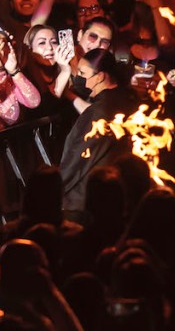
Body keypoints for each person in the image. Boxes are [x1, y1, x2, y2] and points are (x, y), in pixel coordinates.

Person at [59, 49, 138, 214]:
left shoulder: (99, 112)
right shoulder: (129, 100)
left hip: (85, 201)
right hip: (121, 195)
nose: (78, 78)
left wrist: (56, 191)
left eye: (82, 73)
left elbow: (77, 157)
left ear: (100, 76)